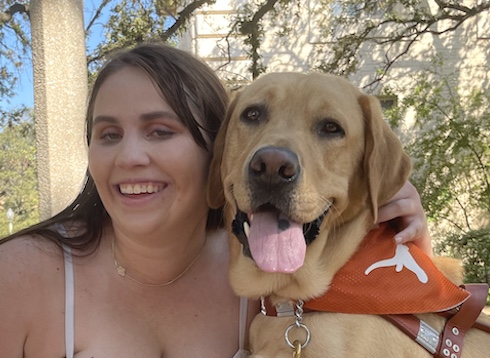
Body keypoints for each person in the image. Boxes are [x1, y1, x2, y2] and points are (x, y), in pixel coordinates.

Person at [0, 43, 431, 358]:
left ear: (215, 150)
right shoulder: (18, 276)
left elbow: (405, 316)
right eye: (108, 134)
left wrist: (407, 230)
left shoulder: (271, 278)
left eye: (160, 131)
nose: (129, 157)